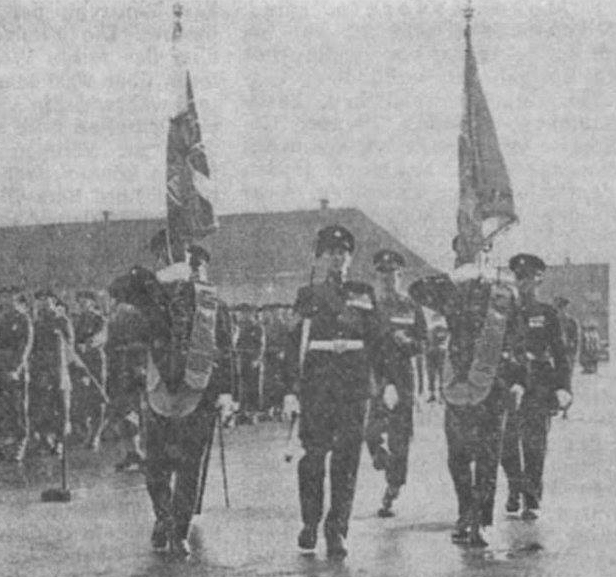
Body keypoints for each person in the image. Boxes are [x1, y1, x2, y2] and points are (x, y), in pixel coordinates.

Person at [111, 234, 235, 557]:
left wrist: (227, 392)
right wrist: (155, 278)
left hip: (198, 392)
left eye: (179, 260)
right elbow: (118, 289)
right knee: (155, 468)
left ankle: (179, 528)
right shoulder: (150, 297)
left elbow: (226, 348)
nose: (167, 263)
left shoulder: (212, 303)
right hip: (158, 393)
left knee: (189, 468)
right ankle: (164, 518)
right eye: (162, 259)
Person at [283, 224, 380, 558]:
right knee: (313, 457)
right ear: (320, 257)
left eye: (343, 253)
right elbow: (294, 344)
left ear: (350, 258)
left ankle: (336, 529)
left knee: (347, 460)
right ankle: (310, 522)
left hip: (354, 387)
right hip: (318, 387)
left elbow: (378, 341)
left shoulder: (364, 292)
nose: (337, 258)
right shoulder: (307, 295)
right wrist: (290, 389)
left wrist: (388, 382)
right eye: (330, 253)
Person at [410, 266, 523, 547]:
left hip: (493, 386)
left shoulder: (505, 295)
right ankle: (465, 512)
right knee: (458, 457)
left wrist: (519, 379)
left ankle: (482, 521)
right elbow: (418, 291)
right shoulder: (453, 292)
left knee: (487, 456)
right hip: (459, 384)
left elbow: (518, 340)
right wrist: (457, 274)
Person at [501, 254, 573, 520]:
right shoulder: (504, 312)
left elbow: (561, 354)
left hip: (540, 384)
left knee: (534, 443)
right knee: (506, 442)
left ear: (539, 279)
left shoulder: (547, 313)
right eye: (519, 278)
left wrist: (564, 387)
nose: (523, 283)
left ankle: (531, 498)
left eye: (528, 277)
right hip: (509, 382)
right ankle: (514, 484)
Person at [365, 249, 426, 518]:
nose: (388, 279)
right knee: (371, 430)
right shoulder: (370, 307)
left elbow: (423, 342)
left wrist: (409, 343)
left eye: (393, 274)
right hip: (377, 373)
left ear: (400, 276)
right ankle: (381, 458)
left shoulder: (411, 307)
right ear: (377, 277)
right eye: (383, 274)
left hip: (403, 375)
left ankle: (392, 488)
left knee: (400, 436)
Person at [106, 281, 149, 472]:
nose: (116, 303)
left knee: (143, 414)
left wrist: (139, 363)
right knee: (120, 414)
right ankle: (132, 453)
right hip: (119, 371)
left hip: (137, 372)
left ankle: (148, 455)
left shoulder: (140, 317)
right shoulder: (114, 318)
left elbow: (149, 343)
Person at [29, 290, 72, 456]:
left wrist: (61, 368)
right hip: (42, 371)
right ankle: (47, 440)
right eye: (40, 300)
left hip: (59, 371)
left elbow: (70, 347)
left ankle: (60, 442)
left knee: (62, 407)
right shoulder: (38, 323)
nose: (43, 303)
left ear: (53, 301)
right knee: (43, 406)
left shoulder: (62, 321)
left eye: (46, 300)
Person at [72, 290, 108, 451]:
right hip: (79, 362)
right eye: (79, 302)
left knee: (97, 399)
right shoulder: (77, 320)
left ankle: (95, 435)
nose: (81, 305)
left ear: (92, 302)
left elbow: (101, 336)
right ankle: (85, 433)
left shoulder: (99, 319)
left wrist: (87, 344)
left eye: (84, 301)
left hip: (95, 361)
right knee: (81, 397)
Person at [0, 287, 33, 462]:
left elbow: (25, 346)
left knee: (18, 408)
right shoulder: (2, 318)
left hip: (15, 371)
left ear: (17, 300)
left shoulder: (23, 319)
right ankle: (5, 444)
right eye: (4, 297)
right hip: (1, 368)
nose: (7, 301)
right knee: (3, 408)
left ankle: (20, 443)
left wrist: (17, 368)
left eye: (10, 298)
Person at [235, 303, 266, 423]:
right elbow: (238, 343)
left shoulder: (258, 327)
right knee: (242, 386)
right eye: (242, 313)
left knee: (254, 387)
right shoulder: (242, 327)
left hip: (254, 360)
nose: (243, 315)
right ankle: (243, 412)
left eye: (246, 313)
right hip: (243, 359)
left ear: (251, 313)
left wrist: (257, 359)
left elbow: (261, 345)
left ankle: (253, 412)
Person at [426, 322, 448, 403]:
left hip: (440, 353)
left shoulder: (443, 328)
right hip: (431, 353)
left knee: (441, 374)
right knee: (431, 374)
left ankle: (441, 395)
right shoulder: (430, 328)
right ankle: (432, 394)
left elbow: (445, 339)